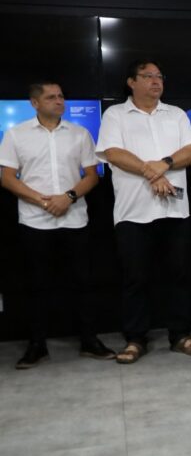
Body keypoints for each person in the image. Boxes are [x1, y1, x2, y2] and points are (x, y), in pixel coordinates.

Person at [96, 60, 191, 363]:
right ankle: (135, 339)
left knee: (179, 276)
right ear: (131, 82)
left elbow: (190, 153)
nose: (156, 81)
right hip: (133, 212)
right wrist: (152, 172)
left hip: (175, 211)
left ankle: (180, 334)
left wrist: (164, 164)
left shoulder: (176, 114)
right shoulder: (115, 115)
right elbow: (113, 153)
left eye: (159, 76)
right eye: (148, 76)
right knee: (135, 278)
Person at [0, 82, 115, 369]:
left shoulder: (80, 133)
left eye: (61, 96)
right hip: (34, 221)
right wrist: (41, 200)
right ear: (35, 103)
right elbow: (7, 177)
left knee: (83, 283)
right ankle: (37, 345)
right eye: (51, 97)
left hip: (74, 219)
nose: (59, 101)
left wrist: (69, 197)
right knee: (36, 285)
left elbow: (92, 175)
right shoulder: (16, 134)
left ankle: (89, 340)